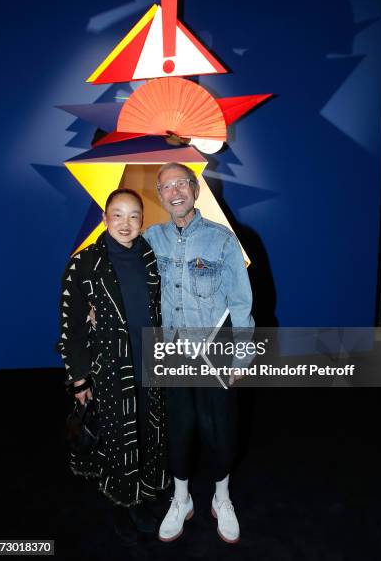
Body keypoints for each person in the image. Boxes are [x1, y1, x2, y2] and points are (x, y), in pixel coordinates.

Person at [144, 162, 255, 544]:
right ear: (159, 196)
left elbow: (241, 303)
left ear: (194, 188)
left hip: (214, 347)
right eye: (166, 187)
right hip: (172, 349)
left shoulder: (222, 239)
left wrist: (242, 355)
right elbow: (117, 267)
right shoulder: (150, 238)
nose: (175, 192)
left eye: (181, 184)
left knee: (220, 428)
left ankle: (221, 499)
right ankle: (181, 498)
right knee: (178, 429)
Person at [57, 188, 168, 545]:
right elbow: (71, 326)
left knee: (149, 430)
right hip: (109, 367)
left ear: (143, 221)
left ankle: (144, 493)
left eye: (133, 215)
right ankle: (121, 501)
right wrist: (78, 378)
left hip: (150, 360)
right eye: (116, 215)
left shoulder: (152, 256)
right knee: (118, 436)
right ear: (104, 219)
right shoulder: (84, 262)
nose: (125, 222)